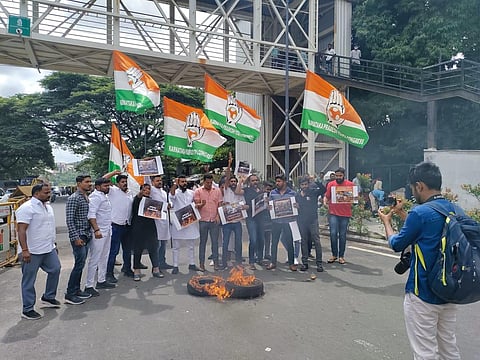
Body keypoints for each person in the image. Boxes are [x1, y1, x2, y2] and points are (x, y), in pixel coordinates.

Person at [378, 161, 461, 359]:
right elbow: (429, 230)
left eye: (412, 188)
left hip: (423, 293)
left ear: (420, 186)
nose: (412, 192)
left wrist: (387, 223)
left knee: (424, 352)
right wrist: (402, 213)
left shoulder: (420, 213)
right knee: (449, 348)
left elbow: (397, 243)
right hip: (450, 292)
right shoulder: (456, 210)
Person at [16, 183, 61, 320]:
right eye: (46, 193)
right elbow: (21, 230)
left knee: (55, 269)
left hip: (48, 248)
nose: (49, 195)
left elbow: (48, 227)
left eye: (49, 192)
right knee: (29, 280)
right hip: (32, 250)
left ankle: (48, 297)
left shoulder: (48, 207)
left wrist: (54, 243)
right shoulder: (26, 208)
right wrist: (24, 250)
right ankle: (27, 309)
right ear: (36, 194)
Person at [65, 175, 94, 305]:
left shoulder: (85, 197)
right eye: (86, 182)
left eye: (90, 181)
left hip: (86, 235)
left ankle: (77, 290)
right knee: (78, 265)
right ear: (78, 183)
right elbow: (70, 220)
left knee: (81, 264)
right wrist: (75, 237)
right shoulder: (74, 198)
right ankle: (70, 293)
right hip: (79, 236)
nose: (89, 184)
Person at [84, 178, 114, 297]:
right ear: (97, 187)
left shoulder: (103, 196)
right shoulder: (95, 197)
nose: (108, 188)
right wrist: (96, 229)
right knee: (95, 258)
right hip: (99, 232)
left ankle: (101, 280)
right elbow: (91, 215)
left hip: (107, 230)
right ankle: (89, 285)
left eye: (108, 186)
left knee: (104, 256)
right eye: (105, 186)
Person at [104, 172, 134, 281]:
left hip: (127, 225)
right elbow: (102, 180)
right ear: (117, 184)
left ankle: (127, 269)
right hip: (115, 226)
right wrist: (114, 173)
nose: (125, 184)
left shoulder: (129, 193)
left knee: (127, 250)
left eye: (126, 182)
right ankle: (109, 273)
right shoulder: (113, 191)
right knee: (113, 251)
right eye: (122, 182)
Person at [130, 184, 163, 281]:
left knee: (153, 248)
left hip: (150, 227)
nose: (147, 191)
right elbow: (138, 197)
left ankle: (156, 269)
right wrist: (141, 193)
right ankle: (136, 270)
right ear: (140, 191)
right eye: (144, 190)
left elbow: (157, 212)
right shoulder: (137, 199)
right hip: (138, 228)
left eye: (149, 189)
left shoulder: (151, 201)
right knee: (138, 249)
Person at [169, 175, 201, 274]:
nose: (184, 183)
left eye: (185, 181)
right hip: (178, 222)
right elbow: (172, 194)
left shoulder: (191, 193)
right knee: (176, 246)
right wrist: (174, 184)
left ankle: (191, 264)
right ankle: (175, 265)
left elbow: (195, 203)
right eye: (182, 182)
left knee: (191, 245)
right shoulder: (174, 193)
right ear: (178, 183)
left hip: (189, 220)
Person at [266, 174, 298, 271]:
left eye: (279, 181)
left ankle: (292, 263)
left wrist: (297, 206)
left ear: (284, 182)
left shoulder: (292, 193)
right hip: (276, 221)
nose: (277, 183)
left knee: (290, 242)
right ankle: (273, 262)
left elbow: (297, 206)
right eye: (276, 181)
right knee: (274, 242)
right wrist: (269, 207)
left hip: (288, 221)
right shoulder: (272, 193)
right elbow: (269, 206)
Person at [323, 167, 354, 265]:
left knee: (342, 235)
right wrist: (325, 202)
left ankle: (341, 256)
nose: (338, 177)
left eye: (340, 176)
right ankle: (334, 254)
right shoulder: (331, 185)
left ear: (344, 175)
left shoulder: (350, 185)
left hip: (345, 213)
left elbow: (354, 198)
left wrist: (353, 201)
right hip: (333, 212)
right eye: (336, 176)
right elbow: (326, 196)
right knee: (333, 233)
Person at [220, 155, 246, 269]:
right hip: (227, 222)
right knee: (225, 242)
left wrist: (244, 207)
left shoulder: (239, 193)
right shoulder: (226, 190)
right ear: (228, 182)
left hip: (237, 222)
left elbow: (244, 205)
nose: (233, 182)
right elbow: (227, 176)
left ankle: (239, 262)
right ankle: (224, 263)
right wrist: (229, 164)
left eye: (235, 181)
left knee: (238, 243)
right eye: (231, 181)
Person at [194, 173, 223, 271]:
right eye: (207, 182)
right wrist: (201, 204)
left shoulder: (217, 191)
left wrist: (218, 216)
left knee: (215, 243)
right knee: (203, 243)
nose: (209, 184)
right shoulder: (198, 191)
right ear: (203, 181)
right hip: (203, 220)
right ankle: (201, 264)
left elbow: (219, 205)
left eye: (211, 182)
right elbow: (196, 206)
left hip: (214, 220)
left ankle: (216, 263)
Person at [297, 176, 325, 272]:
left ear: (308, 184)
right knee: (304, 241)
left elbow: (323, 189)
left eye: (306, 184)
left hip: (313, 220)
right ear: (300, 185)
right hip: (302, 221)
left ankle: (319, 264)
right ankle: (304, 263)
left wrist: (317, 181)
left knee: (316, 241)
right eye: (302, 184)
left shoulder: (313, 192)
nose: (304, 186)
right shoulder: (297, 195)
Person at [241, 174, 266, 270]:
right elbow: (237, 191)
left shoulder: (262, 191)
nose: (255, 182)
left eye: (256, 180)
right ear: (249, 182)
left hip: (260, 217)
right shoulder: (246, 190)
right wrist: (240, 180)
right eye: (252, 180)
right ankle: (251, 261)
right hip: (251, 218)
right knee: (253, 239)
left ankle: (260, 259)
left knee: (261, 239)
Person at [150, 175, 173, 270]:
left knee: (163, 243)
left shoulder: (164, 192)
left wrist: (169, 204)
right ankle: (156, 265)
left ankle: (162, 262)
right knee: (157, 245)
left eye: (160, 180)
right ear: (152, 182)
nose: (160, 182)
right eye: (157, 180)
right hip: (156, 221)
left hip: (165, 220)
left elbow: (170, 202)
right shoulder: (151, 190)